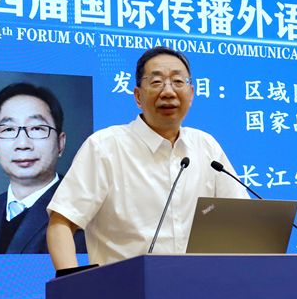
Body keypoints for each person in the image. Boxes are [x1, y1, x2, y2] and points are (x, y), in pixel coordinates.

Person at [47, 46, 248, 270]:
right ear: (138, 96)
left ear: (191, 94)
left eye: (178, 82)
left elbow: (242, 220)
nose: (168, 92)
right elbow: (61, 223)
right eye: (156, 82)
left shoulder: (206, 146)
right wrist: (72, 283)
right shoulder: (105, 147)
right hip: (125, 288)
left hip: (199, 286)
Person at [0, 82, 86, 254]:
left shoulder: (87, 216)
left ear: (60, 143)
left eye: (37, 128)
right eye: (9, 129)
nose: (23, 144)